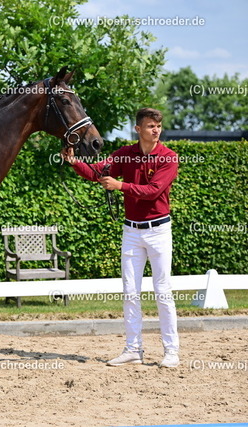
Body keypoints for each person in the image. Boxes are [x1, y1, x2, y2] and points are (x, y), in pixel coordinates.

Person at [61, 107, 180, 368]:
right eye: (150, 126)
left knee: (162, 291)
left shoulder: (169, 157)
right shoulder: (125, 154)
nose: (156, 130)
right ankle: (133, 349)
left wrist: (120, 185)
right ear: (138, 129)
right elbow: (97, 172)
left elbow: (153, 191)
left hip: (159, 230)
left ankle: (171, 351)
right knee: (130, 292)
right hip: (131, 231)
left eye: (158, 126)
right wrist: (74, 162)